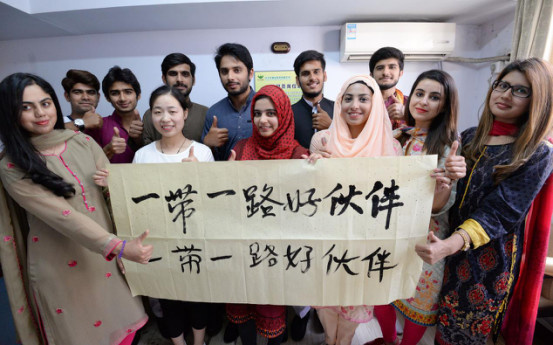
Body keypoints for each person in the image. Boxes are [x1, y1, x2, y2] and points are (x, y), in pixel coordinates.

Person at [0, 73, 153, 344]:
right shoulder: (11, 165)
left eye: (45, 103)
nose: (39, 113)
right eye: (26, 107)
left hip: (105, 261)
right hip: (60, 267)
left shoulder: (82, 142)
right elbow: (62, 215)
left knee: (123, 329)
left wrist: (111, 186)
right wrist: (119, 247)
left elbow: (113, 193)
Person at [415, 58, 553, 344]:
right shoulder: (469, 137)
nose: (504, 94)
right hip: (447, 253)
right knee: (438, 328)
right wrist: (447, 181)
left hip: (487, 264)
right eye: (501, 85)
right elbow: (446, 200)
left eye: (520, 90)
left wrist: (449, 245)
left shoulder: (537, 153)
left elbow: (500, 212)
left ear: (537, 100)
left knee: (463, 335)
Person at [100, 85, 213, 345]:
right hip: (158, 242)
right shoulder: (143, 155)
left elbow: (214, 205)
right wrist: (111, 185)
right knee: (166, 297)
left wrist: (201, 177)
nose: (165, 118)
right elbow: (133, 201)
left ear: (185, 113)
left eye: (172, 111)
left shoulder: (202, 153)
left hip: (194, 239)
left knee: (199, 297)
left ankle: (198, 341)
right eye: (158, 112)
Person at [365, 70, 465, 345]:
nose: (423, 101)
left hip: (426, 239)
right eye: (419, 93)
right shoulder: (397, 136)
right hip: (388, 234)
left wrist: (444, 185)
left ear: (445, 106)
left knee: (417, 308)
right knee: (380, 298)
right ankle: (387, 341)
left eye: (434, 97)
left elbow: (436, 209)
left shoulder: (447, 148)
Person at [309, 75, 402, 345]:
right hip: (327, 242)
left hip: (364, 248)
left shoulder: (391, 147)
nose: (354, 105)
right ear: (339, 102)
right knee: (327, 313)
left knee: (351, 317)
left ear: (375, 104)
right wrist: (312, 170)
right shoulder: (322, 141)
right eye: (347, 98)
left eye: (363, 99)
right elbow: (310, 198)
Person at [226, 85, 319, 345]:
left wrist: (317, 171)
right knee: (243, 306)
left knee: (272, 309)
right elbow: (226, 200)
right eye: (257, 114)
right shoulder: (242, 149)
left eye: (270, 113)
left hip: (278, 253)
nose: (262, 120)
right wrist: (225, 176)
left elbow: (311, 206)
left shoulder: (299, 155)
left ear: (284, 116)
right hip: (244, 246)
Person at [202, 43, 255, 161]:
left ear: (250, 73)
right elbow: (207, 160)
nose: (230, 77)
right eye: (224, 71)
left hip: (263, 176)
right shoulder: (214, 112)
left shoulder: (266, 108)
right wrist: (207, 145)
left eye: (237, 70)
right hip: (225, 177)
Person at [143, 53, 208, 144]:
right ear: (164, 79)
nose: (179, 79)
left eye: (185, 74)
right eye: (173, 74)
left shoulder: (206, 114)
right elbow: (145, 153)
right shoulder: (150, 115)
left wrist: (210, 145)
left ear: (193, 80)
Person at [86, 66, 144, 163]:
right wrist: (108, 150)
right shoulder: (98, 126)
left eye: (128, 92)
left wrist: (139, 141)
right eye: (115, 93)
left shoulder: (152, 125)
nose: (122, 98)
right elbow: (86, 166)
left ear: (138, 95)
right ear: (107, 98)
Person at [291, 50, 334, 149]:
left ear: (325, 76)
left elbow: (350, 143)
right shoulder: (288, 114)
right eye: (306, 73)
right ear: (298, 80)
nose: (312, 77)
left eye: (316, 72)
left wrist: (331, 126)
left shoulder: (339, 109)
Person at [369, 47, 408, 129]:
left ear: (400, 73)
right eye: (380, 68)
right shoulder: (361, 103)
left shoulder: (411, 104)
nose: (385, 73)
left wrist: (407, 115)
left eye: (392, 67)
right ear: (371, 75)